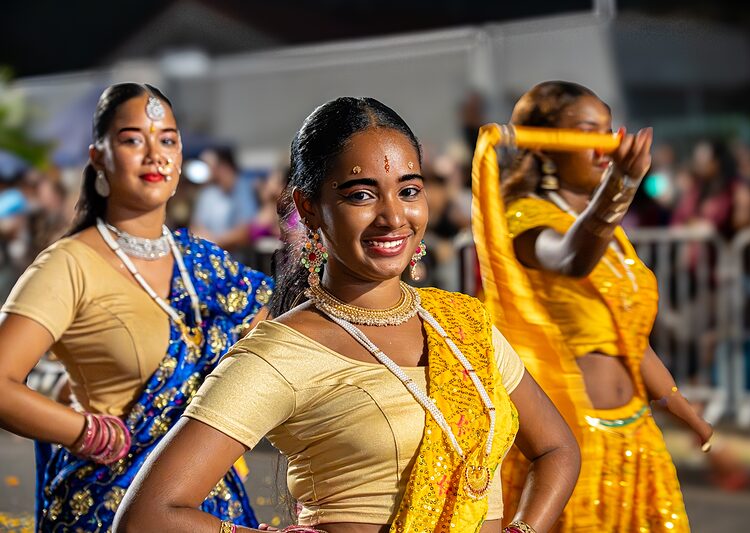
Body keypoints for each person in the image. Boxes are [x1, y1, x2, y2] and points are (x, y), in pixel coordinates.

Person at [114, 96, 581, 533]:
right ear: (309, 208)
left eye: (409, 190)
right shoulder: (280, 352)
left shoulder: (462, 321)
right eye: (361, 195)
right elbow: (149, 515)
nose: (394, 217)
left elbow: (557, 450)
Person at [0, 83, 273, 532]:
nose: (155, 155)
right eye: (132, 140)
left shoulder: (200, 263)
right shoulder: (68, 265)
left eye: (167, 139)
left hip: (204, 505)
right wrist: (84, 432)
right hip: (109, 504)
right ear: (99, 157)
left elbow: (280, 329)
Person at [471, 81, 714, 532]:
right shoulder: (526, 218)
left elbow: (630, 338)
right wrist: (620, 187)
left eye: (608, 131)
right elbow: (570, 258)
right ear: (545, 146)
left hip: (638, 438)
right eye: (588, 133)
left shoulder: (611, 235)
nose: (606, 147)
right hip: (572, 443)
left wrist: (687, 415)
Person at [192, 146, 260, 252]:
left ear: (224, 167)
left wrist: (215, 242)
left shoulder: (244, 189)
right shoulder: (208, 194)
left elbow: (246, 230)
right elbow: (196, 227)